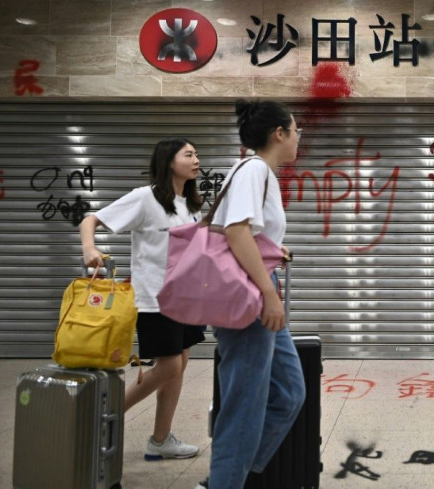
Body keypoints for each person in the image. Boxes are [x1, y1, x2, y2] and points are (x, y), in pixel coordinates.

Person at [202, 99, 306, 489]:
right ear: (278, 134)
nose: (298, 138)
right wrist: (269, 293)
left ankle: (229, 475)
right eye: (296, 130)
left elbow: (249, 234)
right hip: (250, 294)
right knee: (244, 405)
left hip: (259, 285)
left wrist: (275, 253)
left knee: (290, 393)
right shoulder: (254, 169)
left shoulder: (263, 174)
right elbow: (236, 231)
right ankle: (225, 482)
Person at [80, 137, 205, 460]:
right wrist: (90, 248)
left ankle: (161, 440)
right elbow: (90, 220)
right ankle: (101, 417)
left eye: (196, 154)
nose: (196, 160)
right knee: (169, 366)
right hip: (154, 298)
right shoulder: (144, 198)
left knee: (180, 363)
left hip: (186, 299)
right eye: (188, 154)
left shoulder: (190, 204)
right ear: (168, 161)